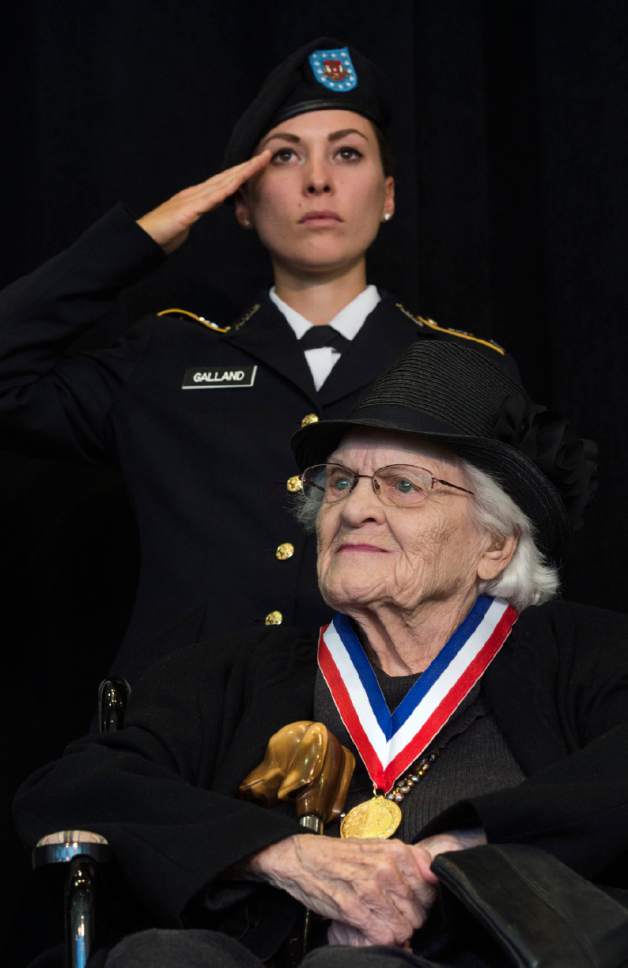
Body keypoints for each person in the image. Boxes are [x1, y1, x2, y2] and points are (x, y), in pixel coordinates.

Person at [14, 339, 628, 967]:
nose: (354, 508)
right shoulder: (229, 673)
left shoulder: (590, 661)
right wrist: (279, 856)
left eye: (405, 486)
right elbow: (72, 790)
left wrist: (468, 848)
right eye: (339, 482)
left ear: (495, 544)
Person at [0, 38, 517, 685]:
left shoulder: (465, 372)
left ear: (387, 195)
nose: (319, 179)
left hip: (391, 747)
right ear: (240, 202)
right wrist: (139, 240)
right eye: (285, 156)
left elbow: (508, 586)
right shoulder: (165, 358)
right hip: (171, 749)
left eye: (347, 153)